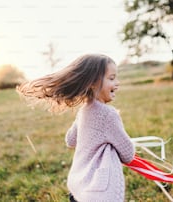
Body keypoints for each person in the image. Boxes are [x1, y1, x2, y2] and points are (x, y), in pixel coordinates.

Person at [17, 54, 135, 202]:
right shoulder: (109, 115)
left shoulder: (84, 111)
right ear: (92, 83)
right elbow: (128, 153)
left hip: (78, 190)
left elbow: (70, 140)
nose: (117, 83)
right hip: (98, 194)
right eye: (111, 78)